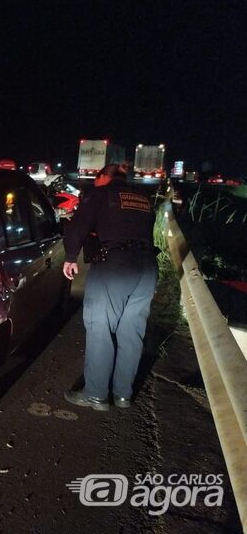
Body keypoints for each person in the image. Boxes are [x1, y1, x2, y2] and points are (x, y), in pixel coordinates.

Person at [62, 163, 158, 410]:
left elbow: (79, 226)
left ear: (105, 177)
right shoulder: (143, 198)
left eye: (97, 177)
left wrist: (71, 256)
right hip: (146, 268)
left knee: (100, 327)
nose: (94, 182)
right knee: (131, 332)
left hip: (115, 266)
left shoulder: (100, 194)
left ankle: (95, 394)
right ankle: (123, 394)